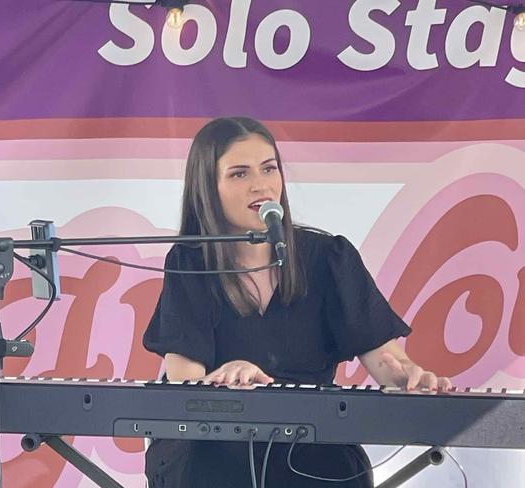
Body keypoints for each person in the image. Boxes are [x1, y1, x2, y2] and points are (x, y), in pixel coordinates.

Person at [142, 117, 451, 488]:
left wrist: (406, 375)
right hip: (215, 451)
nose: (261, 185)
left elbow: (387, 361)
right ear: (208, 188)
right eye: (239, 174)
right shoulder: (190, 262)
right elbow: (183, 379)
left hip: (311, 451)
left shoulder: (327, 257)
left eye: (269, 169)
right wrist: (223, 376)